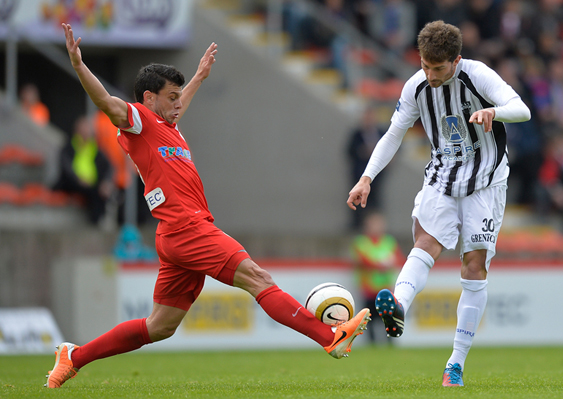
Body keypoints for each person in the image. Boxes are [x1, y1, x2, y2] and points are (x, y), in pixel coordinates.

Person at [45, 23, 371, 389]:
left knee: (160, 327)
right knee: (258, 279)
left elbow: (179, 106)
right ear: (149, 98)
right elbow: (106, 102)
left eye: (180, 96)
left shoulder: (170, 128)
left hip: (176, 235)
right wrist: (78, 64)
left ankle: (74, 357)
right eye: (171, 97)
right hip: (188, 228)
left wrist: (198, 77)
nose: (178, 103)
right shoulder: (138, 121)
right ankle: (330, 337)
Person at [346, 20, 531, 387]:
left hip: (485, 182)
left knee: (474, 266)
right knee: (425, 243)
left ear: (456, 60)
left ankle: (455, 364)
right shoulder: (416, 85)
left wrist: (495, 112)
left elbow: (521, 108)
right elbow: (393, 134)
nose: (429, 74)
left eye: (438, 68)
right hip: (443, 178)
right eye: (424, 65)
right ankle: (398, 305)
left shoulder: (477, 76)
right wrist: (366, 177)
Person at [350, 211, 403, 344]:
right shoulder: (361, 242)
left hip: (386, 288)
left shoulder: (389, 241)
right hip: (369, 287)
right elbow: (361, 261)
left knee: (388, 318)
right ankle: (372, 344)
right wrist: (380, 265)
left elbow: (398, 259)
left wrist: (387, 264)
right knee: (370, 319)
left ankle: (391, 343)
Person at [52, 115, 113, 225]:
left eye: (88, 128)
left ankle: (98, 221)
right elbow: (66, 166)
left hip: (91, 183)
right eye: (83, 128)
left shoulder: (95, 148)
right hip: (72, 182)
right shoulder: (69, 146)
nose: (86, 131)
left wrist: (106, 182)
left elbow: (108, 166)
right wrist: (77, 179)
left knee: (101, 192)